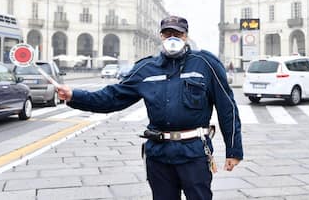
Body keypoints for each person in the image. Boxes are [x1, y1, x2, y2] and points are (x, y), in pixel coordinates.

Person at [57, 15, 243, 200]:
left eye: (177, 34)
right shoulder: (146, 68)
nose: (172, 38)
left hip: (194, 153)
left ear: (185, 36)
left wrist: (233, 150)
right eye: (167, 33)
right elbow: (113, 97)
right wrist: (74, 95)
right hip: (158, 154)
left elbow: (227, 107)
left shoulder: (205, 64)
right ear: (161, 36)